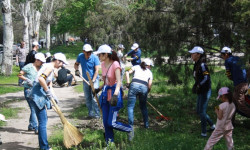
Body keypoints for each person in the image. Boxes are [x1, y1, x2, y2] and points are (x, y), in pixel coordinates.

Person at [30, 52, 68, 150]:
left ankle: (43, 146)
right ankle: (44, 147)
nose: (61, 66)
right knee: (43, 122)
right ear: (57, 61)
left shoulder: (49, 67)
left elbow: (49, 84)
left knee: (43, 120)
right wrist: (47, 91)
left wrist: (53, 95)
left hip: (39, 93)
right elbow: (41, 79)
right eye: (61, 63)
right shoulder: (50, 67)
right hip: (37, 94)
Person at [95, 44, 132, 144]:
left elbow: (119, 82)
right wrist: (98, 89)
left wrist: (115, 95)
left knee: (112, 122)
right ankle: (109, 144)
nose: (99, 57)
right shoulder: (102, 65)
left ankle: (129, 129)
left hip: (115, 93)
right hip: (105, 94)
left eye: (100, 55)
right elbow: (106, 81)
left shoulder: (115, 64)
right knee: (106, 123)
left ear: (106, 54)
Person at [189, 46, 215, 137]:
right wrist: (196, 85)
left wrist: (199, 84)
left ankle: (204, 132)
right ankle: (212, 126)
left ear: (198, 54)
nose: (191, 55)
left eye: (193, 53)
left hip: (205, 90)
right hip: (200, 90)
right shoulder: (196, 64)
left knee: (202, 112)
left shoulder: (203, 65)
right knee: (199, 110)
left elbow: (206, 77)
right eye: (191, 53)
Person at [125, 58, 154, 141]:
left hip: (134, 85)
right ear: (148, 65)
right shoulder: (150, 72)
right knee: (143, 107)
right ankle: (146, 125)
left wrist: (128, 83)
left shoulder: (136, 67)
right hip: (144, 88)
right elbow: (149, 85)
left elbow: (127, 72)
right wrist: (146, 93)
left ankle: (131, 127)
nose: (150, 68)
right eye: (150, 66)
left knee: (130, 107)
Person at [18, 53, 46, 134]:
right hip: (29, 90)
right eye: (41, 62)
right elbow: (20, 74)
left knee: (34, 108)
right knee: (33, 109)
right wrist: (27, 80)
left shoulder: (41, 68)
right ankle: (36, 127)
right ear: (37, 60)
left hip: (37, 91)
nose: (42, 63)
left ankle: (31, 125)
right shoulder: (29, 66)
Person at [220, 47, 249, 117]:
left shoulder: (227, 61)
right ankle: (230, 122)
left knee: (241, 105)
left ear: (226, 54)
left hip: (239, 85)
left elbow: (228, 74)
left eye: (222, 55)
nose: (222, 57)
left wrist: (232, 78)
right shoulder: (238, 58)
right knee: (233, 103)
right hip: (246, 84)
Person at [74, 44, 100, 119]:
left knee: (94, 97)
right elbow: (76, 64)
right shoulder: (80, 56)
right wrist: (77, 70)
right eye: (87, 52)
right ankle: (90, 113)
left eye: (90, 52)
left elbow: (97, 70)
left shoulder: (95, 58)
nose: (89, 53)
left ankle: (97, 115)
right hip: (85, 80)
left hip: (94, 80)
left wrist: (93, 80)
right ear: (83, 51)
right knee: (87, 97)